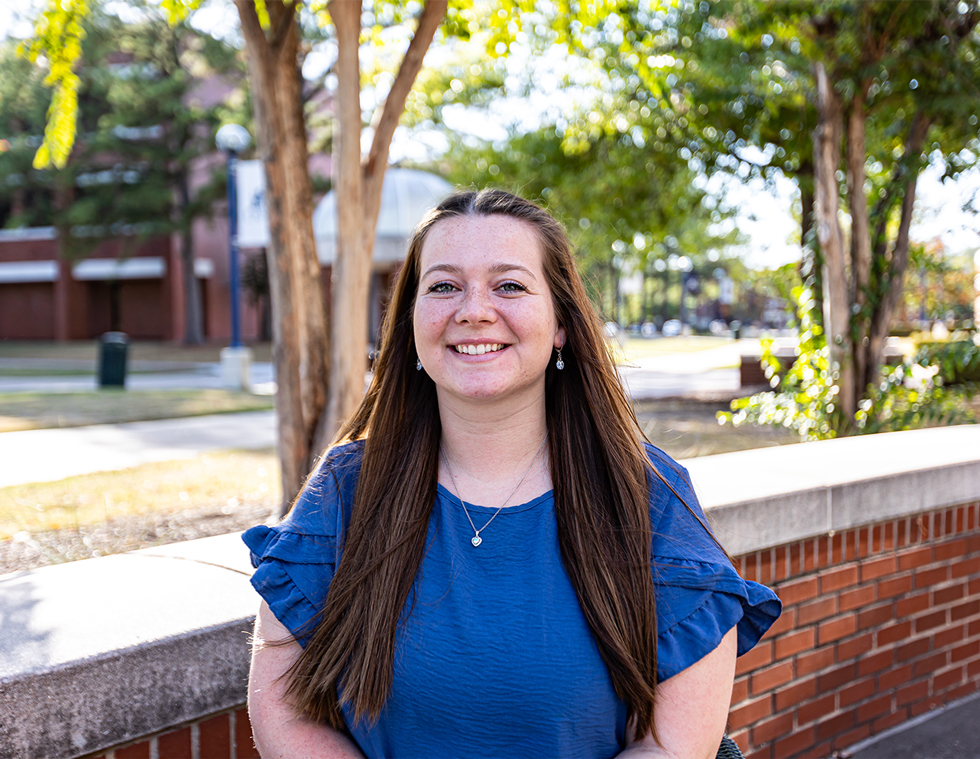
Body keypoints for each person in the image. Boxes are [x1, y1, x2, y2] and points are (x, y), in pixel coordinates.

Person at [243, 189, 781, 759]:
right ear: (412, 323)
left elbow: (674, 746)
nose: (473, 310)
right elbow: (283, 705)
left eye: (510, 285)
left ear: (560, 325)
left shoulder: (644, 494)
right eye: (444, 286)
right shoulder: (347, 489)